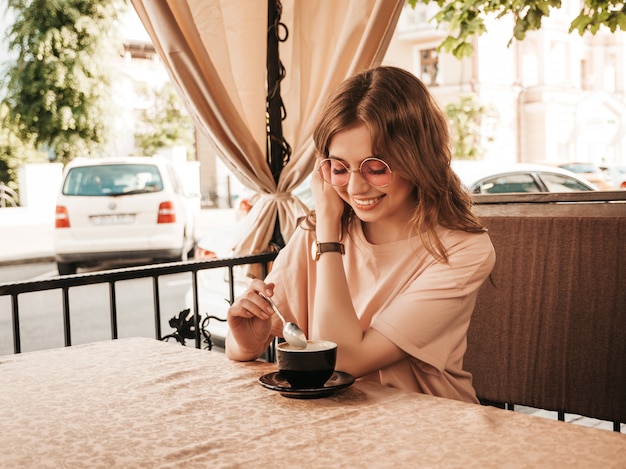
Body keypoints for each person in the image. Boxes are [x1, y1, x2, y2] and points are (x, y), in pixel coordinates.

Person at [225, 66, 495, 403]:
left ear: (418, 158)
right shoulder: (318, 230)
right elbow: (249, 344)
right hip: (334, 425)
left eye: (376, 167)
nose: (354, 187)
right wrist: (246, 341)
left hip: (429, 427)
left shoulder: (461, 250)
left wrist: (329, 238)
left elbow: (344, 360)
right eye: (338, 168)